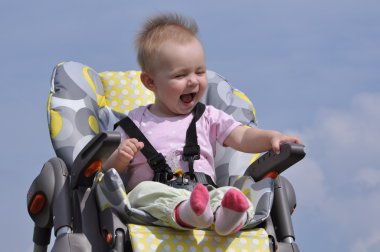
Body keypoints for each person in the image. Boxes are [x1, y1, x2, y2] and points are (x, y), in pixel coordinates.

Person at [103, 13, 302, 236]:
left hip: (203, 194)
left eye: (199, 72)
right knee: (142, 192)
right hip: (154, 205)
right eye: (180, 75)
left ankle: (227, 217)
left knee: (227, 193)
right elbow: (106, 172)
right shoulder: (135, 123)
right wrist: (120, 157)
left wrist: (271, 137)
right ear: (151, 82)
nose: (193, 81)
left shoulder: (208, 117)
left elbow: (243, 137)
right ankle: (187, 213)